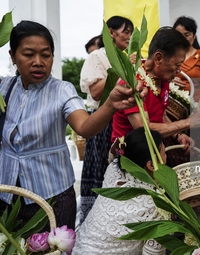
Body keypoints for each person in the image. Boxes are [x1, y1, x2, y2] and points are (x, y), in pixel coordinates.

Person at [0, 20, 147, 231]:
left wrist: (111, 104)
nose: (38, 61)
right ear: (13, 56)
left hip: (52, 198)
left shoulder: (62, 91)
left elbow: (85, 127)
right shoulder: (4, 88)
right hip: (7, 196)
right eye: (28, 54)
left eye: (46, 54)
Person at [111, 27, 200, 156]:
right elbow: (143, 130)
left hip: (154, 149)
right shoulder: (132, 82)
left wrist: (178, 135)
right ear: (158, 58)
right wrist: (188, 122)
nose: (179, 70)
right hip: (130, 155)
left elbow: (161, 114)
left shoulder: (163, 79)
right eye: (177, 65)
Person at [72, 127, 168, 254]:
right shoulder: (157, 206)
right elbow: (153, 252)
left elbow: (113, 154)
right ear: (151, 165)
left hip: (79, 249)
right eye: (164, 153)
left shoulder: (114, 170)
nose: (166, 156)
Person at [79, 16, 134, 223]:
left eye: (131, 32)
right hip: (102, 121)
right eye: (125, 31)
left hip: (123, 120)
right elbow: (95, 92)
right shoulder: (98, 56)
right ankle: (96, 222)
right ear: (111, 32)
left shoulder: (124, 57)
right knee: (101, 170)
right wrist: (122, 72)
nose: (129, 36)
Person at [173, 16, 200, 101]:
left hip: (195, 104)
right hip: (171, 104)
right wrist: (169, 80)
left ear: (194, 36)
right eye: (178, 35)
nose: (182, 39)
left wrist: (199, 107)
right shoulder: (168, 55)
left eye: (187, 35)